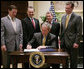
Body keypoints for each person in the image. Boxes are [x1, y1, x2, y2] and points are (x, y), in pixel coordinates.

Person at [60, 2, 82, 68]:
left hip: (73, 43)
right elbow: (62, 30)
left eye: (68, 8)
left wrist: (76, 42)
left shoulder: (77, 17)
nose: (66, 10)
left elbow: (79, 31)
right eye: (65, 8)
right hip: (64, 43)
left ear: (72, 8)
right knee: (64, 61)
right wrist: (60, 40)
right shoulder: (63, 17)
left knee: (73, 61)